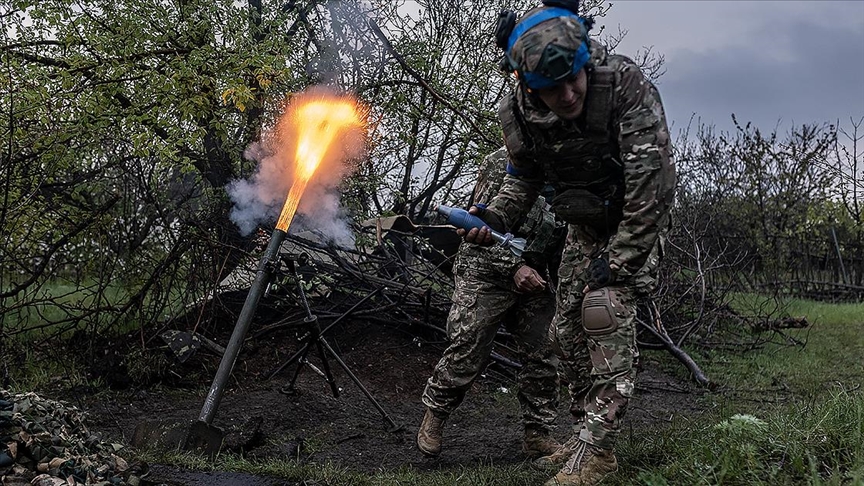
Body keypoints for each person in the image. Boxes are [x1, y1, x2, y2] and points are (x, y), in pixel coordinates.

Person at [462, 2, 677, 485]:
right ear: (526, 82)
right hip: (583, 230)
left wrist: (619, 263)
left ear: (584, 60)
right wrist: (493, 217)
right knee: (566, 334)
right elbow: (523, 179)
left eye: (573, 77)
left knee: (603, 314)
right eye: (550, 87)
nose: (567, 93)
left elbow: (654, 186)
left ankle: (599, 453)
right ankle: (584, 437)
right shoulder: (518, 110)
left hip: (632, 224)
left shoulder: (623, 83)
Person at [417, 147, 566, 461]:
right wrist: (513, 268)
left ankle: (537, 435)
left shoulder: (570, 169)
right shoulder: (502, 163)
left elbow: (564, 234)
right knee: (468, 346)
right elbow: (482, 227)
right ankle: (435, 416)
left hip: (534, 273)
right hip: (485, 269)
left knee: (544, 353)